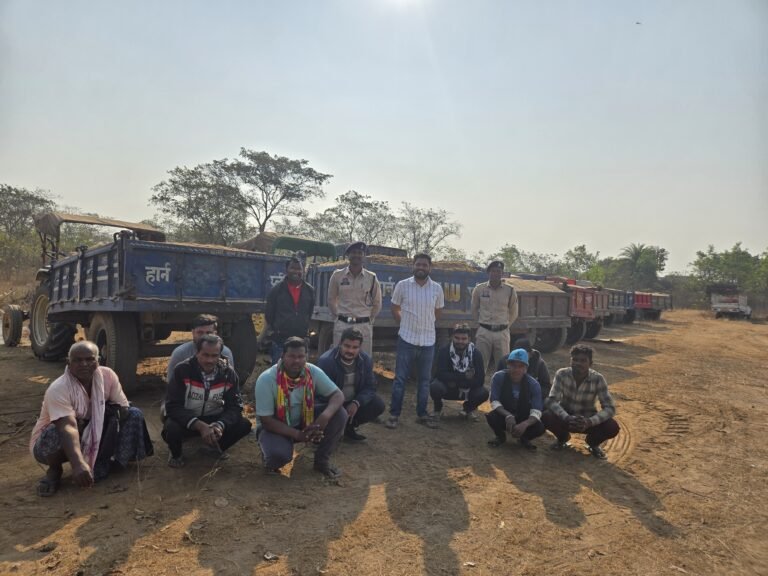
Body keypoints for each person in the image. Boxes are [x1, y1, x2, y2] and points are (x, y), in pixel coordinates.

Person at [30, 341, 153, 496]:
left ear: (98, 361)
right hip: (51, 443)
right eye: (78, 360)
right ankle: (55, 469)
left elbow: (123, 407)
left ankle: (108, 461)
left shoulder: (107, 376)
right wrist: (78, 464)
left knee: (133, 414)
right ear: (68, 363)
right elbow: (67, 427)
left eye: (89, 359)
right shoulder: (59, 388)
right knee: (55, 432)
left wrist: (103, 423)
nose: (84, 364)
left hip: (89, 431)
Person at [254, 337, 347, 478]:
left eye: (301, 356)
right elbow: (266, 421)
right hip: (276, 427)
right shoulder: (266, 379)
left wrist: (324, 417)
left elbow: (338, 395)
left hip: (304, 421)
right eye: (291, 356)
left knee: (340, 414)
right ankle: (270, 454)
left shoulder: (312, 371)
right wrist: (298, 435)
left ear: (306, 356)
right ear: (282, 356)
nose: (296, 361)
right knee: (277, 456)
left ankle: (321, 461)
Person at [162, 334, 252, 468]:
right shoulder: (182, 370)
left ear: (220, 355)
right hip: (188, 418)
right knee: (171, 427)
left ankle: (213, 448)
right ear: (197, 352)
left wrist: (220, 425)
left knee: (244, 424)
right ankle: (176, 454)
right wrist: (199, 425)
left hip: (213, 418)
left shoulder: (228, 373)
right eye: (205, 355)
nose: (209, 360)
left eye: (214, 355)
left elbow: (235, 406)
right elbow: (173, 406)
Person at [386, 253, 445, 430]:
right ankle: (394, 415)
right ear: (413, 266)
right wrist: (404, 322)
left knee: (424, 381)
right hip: (406, 339)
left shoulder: (437, 289)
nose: (421, 267)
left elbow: (438, 312)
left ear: (430, 268)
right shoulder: (402, 285)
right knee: (400, 379)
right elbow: (394, 307)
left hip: (428, 341)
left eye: (425, 265)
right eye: (418, 264)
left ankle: (422, 414)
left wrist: (426, 325)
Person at [542, 344, 619, 459]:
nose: (578, 363)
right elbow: (551, 401)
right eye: (575, 359)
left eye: (583, 360)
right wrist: (566, 417)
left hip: (587, 420)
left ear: (590, 363)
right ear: (570, 361)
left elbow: (610, 408)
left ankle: (592, 443)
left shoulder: (598, 379)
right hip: (566, 418)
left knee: (612, 427)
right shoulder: (562, 374)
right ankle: (562, 439)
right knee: (546, 416)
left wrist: (589, 422)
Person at [316, 327, 386, 441]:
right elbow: (321, 393)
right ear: (340, 344)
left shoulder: (366, 360)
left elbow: (370, 386)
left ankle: (349, 427)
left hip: (352, 401)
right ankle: (326, 432)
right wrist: (338, 407)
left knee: (377, 404)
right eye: (347, 346)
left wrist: (357, 402)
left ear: (360, 347)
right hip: (331, 402)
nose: (350, 351)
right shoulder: (326, 361)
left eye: (355, 347)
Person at [327, 241, 382, 357]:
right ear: (348, 255)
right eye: (354, 252)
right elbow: (331, 299)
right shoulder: (337, 275)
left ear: (364, 256)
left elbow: (377, 303)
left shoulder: (371, 277)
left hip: (363, 326)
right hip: (343, 324)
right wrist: (337, 318)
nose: (357, 255)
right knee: (339, 359)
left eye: (360, 253)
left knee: (364, 360)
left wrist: (369, 320)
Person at [486, 348, 546, 450]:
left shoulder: (533, 384)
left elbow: (536, 411)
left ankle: (524, 438)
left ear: (526, 368)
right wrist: (508, 415)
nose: (516, 369)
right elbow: (494, 401)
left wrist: (525, 424)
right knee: (492, 416)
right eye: (513, 365)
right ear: (508, 365)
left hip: (523, 416)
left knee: (540, 427)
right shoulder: (498, 377)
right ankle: (500, 437)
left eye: (521, 366)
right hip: (505, 413)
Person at [430, 323, 487, 422]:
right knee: (435, 386)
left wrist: (456, 381)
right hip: (448, 389)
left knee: (483, 393)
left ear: (469, 339)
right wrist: (464, 376)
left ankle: (467, 410)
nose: (460, 341)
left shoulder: (476, 354)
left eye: (464, 339)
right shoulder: (444, 351)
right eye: (457, 338)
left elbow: (480, 380)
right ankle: (437, 410)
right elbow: (440, 374)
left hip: (466, 389)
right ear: (452, 337)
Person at [265, 257, 315, 364]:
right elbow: (269, 314)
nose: (296, 271)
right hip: (281, 340)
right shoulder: (277, 290)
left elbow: (309, 312)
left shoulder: (309, 290)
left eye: (299, 269)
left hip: (301, 339)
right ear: (286, 269)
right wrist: (278, 328)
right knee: (279, 371)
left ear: (303, 270)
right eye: (292, 268)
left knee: (300, 371)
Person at [471, 260, 518, 374]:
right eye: (493, 271)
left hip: (502, 333)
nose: (496, 273)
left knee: (504, 366)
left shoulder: (510, 290)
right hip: (484, 332)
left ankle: (500, 386)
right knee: (479, 365)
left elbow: (514, 312)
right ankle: (479, 385)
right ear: (488, 272)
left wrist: (506, 326)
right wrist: (480, 324)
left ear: (502, 273)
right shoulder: (479, 289)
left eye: (498, 271)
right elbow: (474, 309)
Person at [166, 314, 234, 383]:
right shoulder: (180, 353)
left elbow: (230, 382)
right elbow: (172, 383)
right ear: (193, 332)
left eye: (209, 333)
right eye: (200, 332)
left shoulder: (225, 353)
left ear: (215, 333)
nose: (204, 336)